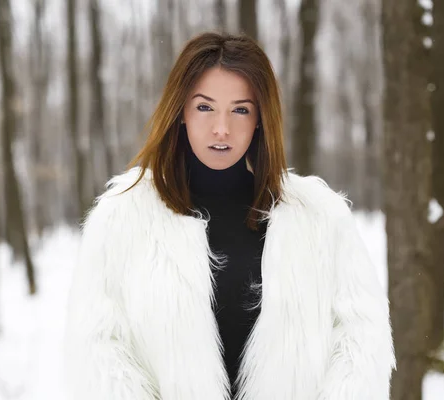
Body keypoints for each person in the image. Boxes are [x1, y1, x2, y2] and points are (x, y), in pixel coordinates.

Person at [64, 32, 395, 400]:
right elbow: (99, 352)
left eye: (240, 109)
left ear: (259, 119)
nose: (222, 128)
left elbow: (361, 343)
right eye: (205, 107)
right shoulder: (121, 220)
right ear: (181, 113)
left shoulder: (320, 219)